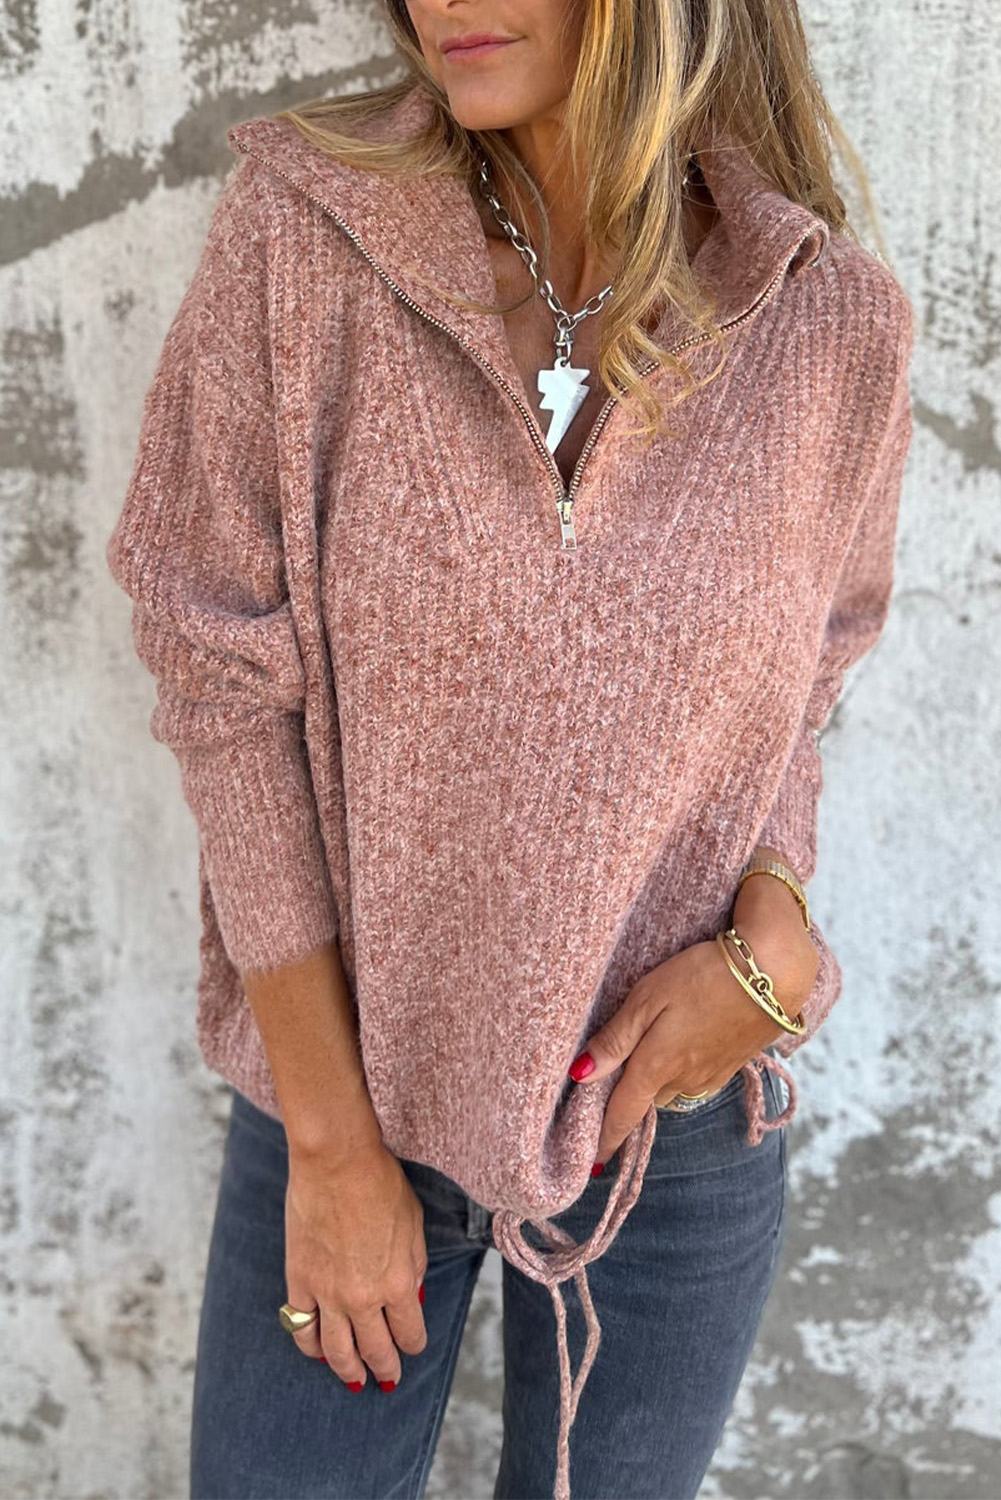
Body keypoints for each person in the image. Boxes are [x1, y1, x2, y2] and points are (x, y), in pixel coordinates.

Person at [104, 0, 916, 1496]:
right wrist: (333, 1148)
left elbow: (796, 691)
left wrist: (774, 938)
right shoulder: (308, 234)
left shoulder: (828, 320)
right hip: (346, 1097)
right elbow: (220, 679)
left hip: (669, 1123)